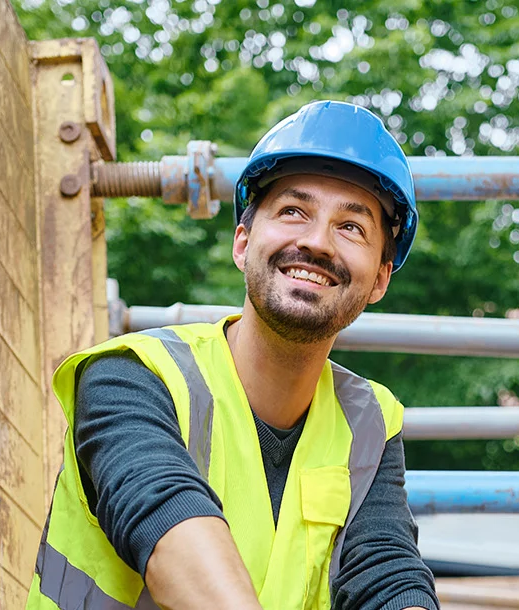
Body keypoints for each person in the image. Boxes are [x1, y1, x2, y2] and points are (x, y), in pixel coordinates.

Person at [32, 101, 436, 610]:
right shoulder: (130, 376)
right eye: (294, 211)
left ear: (379, 277)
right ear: (243, 243)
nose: (316, 242)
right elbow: (166, 518)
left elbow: (386, 572)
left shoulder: (370, 424)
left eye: (351, 227)